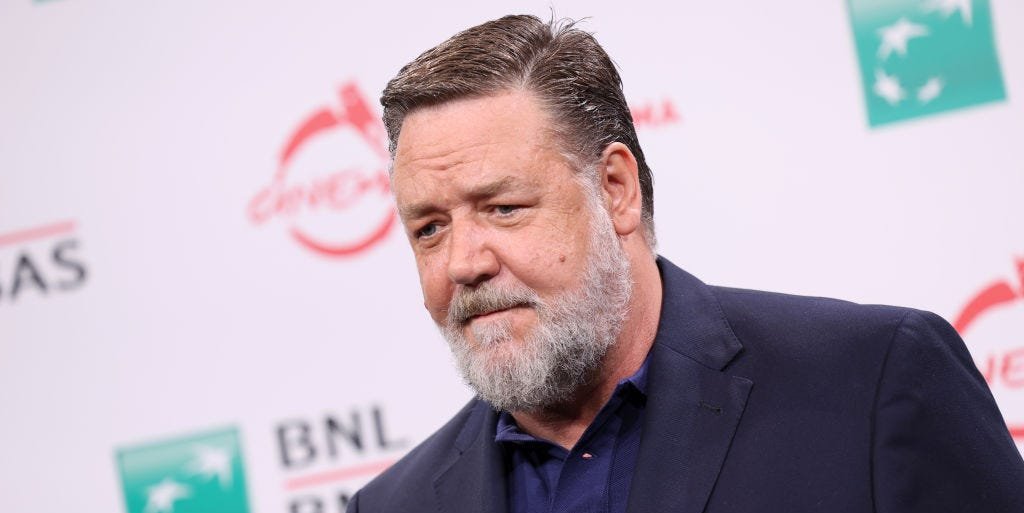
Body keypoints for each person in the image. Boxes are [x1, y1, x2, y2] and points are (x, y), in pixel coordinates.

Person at [348, 14, 1024, 513]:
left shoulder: (873, 383)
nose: (463, 263)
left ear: (616, 189)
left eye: (502, 208)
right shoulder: (390, 506)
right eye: (429, 228)